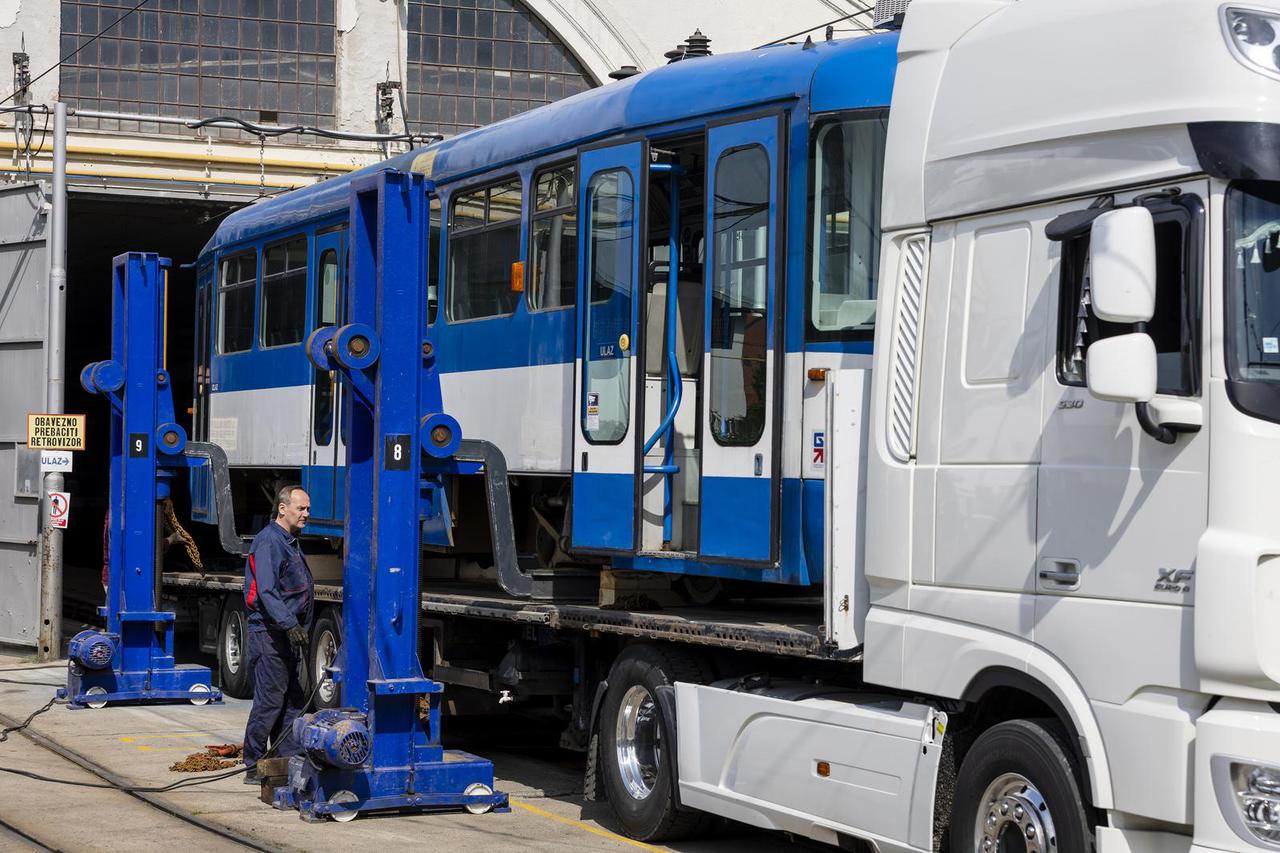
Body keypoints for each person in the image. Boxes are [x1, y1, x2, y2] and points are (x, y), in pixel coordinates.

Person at [241, 484, 314, 785]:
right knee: (270, 702)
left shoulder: (289, 542)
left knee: (292, 702)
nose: (306, 514)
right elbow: (268, 592)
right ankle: (252, 764)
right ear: (283, 508)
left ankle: (284, 763)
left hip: (284, 634)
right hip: (270, 633)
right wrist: (290, 625)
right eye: (301, 508)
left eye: (308, 509)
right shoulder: (270, 541)